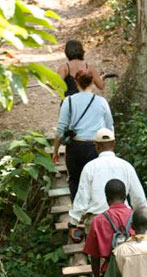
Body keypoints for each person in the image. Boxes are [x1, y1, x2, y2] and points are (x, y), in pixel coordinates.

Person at [68, 128, 147, 240]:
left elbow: (82, 199)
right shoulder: (126, 166)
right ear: (114, 144)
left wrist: (73, 223)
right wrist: (143, 222)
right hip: (124, 222)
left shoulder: (90, 167)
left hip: (97, 222)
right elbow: (139, 199)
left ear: (97, 146)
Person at [84, 178, 135, 277]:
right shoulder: (137, 217)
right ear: (125, 196)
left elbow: (94, 256)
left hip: (110, 276)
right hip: (136, 274)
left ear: (106, 198)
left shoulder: (98, 221)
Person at [53, 70, 114, 200]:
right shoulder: (102, 102)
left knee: (75, 180)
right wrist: (111, 149)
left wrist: (56, 151)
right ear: (92, 82)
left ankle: (78, 215)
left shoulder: (68, 101)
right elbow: (110, 127)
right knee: (97, 181)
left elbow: (60, 130)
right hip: (97, 147)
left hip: (75, 147)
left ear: (76, 82)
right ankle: (96, 214)